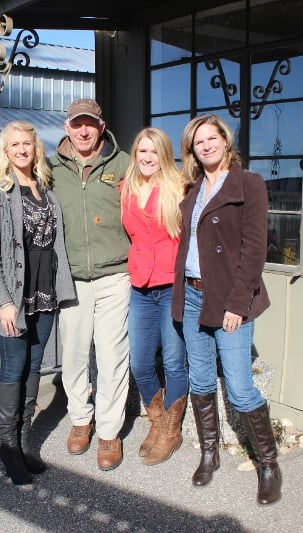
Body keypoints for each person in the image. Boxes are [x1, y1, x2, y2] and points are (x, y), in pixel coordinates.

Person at [171, 114, 282, 505]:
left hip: (229, 299)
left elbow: (255, 249)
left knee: (238, 387)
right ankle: (209, 453)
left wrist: (238, 304)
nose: (205, 146)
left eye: (210, 138)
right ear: (193, 151)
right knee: (200, 380)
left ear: (224, 139)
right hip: (193, 295)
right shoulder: (193, 188)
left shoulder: (248, 183)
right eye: (197, 142)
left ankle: (269, 465)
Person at [0, 120, 76, 485]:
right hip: (16, 299)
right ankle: (7, 448)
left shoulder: (46, 190)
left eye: (28, 144)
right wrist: (4, 302)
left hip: (46, 294)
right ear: (5, 151)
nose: (22, 150)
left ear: (37, 149)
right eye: (15, 145)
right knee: (13, 369)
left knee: (34, 369)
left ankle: (23, 444)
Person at [49, 98, 131, 471]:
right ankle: (81, 419)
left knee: (113, 358)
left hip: (116, 275)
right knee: (74, 355)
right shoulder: (49, 169)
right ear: (67, 128)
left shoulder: (124, 163)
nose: (83, 131)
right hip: (71, 279)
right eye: (76, 124)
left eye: (90, 124)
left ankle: (109, 432)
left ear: (101, 126)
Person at [120, 127, 188, 466]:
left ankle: (171, 432)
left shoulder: (178, 188)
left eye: (154, 152)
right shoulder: (126, 190)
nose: (148, 158)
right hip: (140, 288)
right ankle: (158, 421)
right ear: (136, 155)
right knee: (141, 362)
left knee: (174, 361)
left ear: (164, 155)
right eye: (142, 151)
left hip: (171, 286)